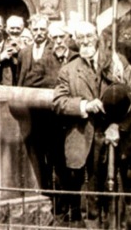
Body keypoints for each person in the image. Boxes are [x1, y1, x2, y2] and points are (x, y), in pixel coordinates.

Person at [52, 21, 131, 226]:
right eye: (81, 38)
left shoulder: (116, 62)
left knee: (117, 194)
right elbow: (59, 103)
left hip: (115, 137)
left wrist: (118, 125)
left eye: (89, 36)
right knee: (91, 197)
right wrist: (85, 105)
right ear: (76, 41)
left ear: (97, 36)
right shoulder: (68, 70)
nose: (85, 41)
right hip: (85, 138)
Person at [17, 14, 52, 86]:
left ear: (48, 30)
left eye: (42, 29)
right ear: (30, 30)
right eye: (35, 30)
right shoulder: (23, 52)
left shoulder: (54, 49)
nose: (39, 33)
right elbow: (19, 77)